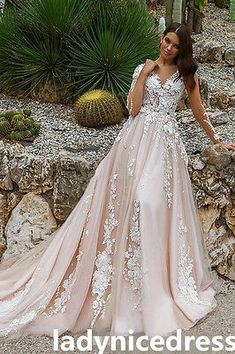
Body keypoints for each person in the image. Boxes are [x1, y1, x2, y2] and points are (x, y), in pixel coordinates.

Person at [0, 22, 234, 341]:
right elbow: (133, 109)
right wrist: (142, 76)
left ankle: (152, 285)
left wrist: (218, 140)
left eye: (175, 45)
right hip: (134, 144)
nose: (168, 48)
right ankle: (123, 283)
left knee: (148, 204)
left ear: (182, 49)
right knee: (128, 202)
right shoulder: (144, 68)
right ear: (161, 39)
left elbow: (199, 112)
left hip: (164, 148)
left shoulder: (186, 77)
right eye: (167, 41)